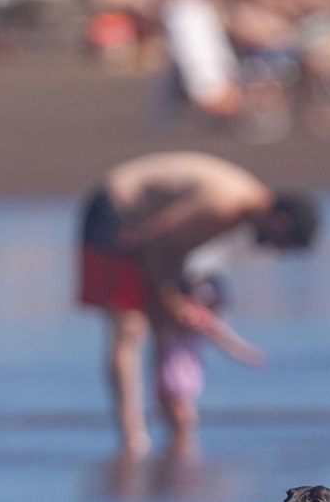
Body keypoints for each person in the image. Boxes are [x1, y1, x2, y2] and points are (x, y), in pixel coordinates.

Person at [77, 152, 317, 456]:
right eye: (278, 244)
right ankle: (132, 436)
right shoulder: (224, 206)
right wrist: (171, 298)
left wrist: (174, 299)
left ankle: (173, 431)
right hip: (116, 210)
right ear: (280, 223)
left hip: (141, 227)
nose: (271, 249)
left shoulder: (242, 204)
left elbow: (172, 248)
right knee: (129, 327)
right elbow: (153, 240)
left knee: (163, 322)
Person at [153, 269, 265, 456]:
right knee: (178, 418)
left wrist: (247, 353)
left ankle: (181, 455)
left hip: (177, 374)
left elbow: (223, 337)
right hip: (174, 373)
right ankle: (179, 454)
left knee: (181, 419)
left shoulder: (193, 315)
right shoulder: (182, 313)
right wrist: (247, 353)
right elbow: (224, 338)